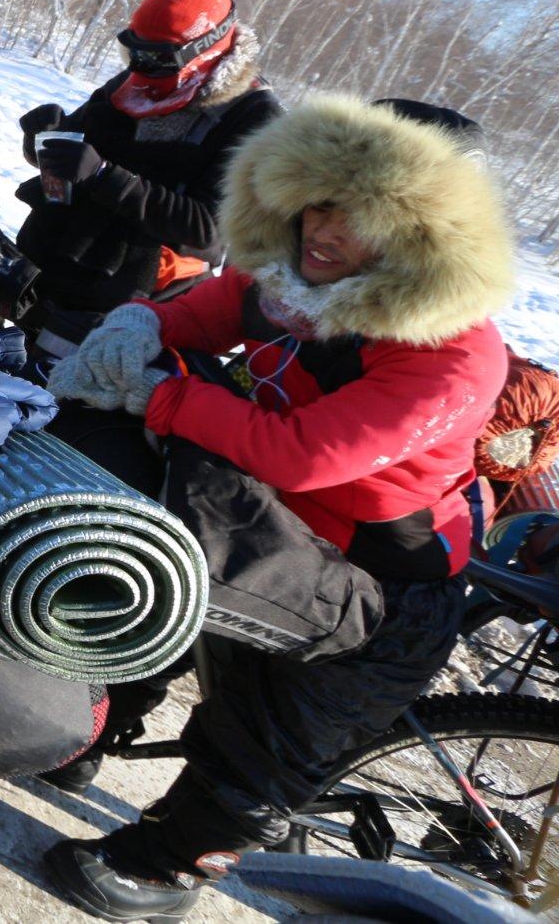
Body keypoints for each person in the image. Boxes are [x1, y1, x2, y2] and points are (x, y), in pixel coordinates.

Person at [40, 94, 515, 921]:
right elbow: (215, 306)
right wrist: (143, 321)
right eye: (320, 198)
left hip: (374, 583)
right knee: (157, 578)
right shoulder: (297, 268)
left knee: (259, 741)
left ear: (427, 236)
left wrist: (162, 395)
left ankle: (167, 869)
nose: (326, 228)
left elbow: (306, 450)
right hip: (274, 515)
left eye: (361, 214)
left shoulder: (456, 352)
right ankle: (91, 726)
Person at [15, 0, 280, 350]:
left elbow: (208, 228)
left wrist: (104, 176)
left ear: (201, 51)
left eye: (157, 57)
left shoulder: (254, 118)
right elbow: (77, 156)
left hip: (135, 302)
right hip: (48, 265)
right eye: (133, 53)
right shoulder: (138, 80)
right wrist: (44, 140)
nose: (140, 68)